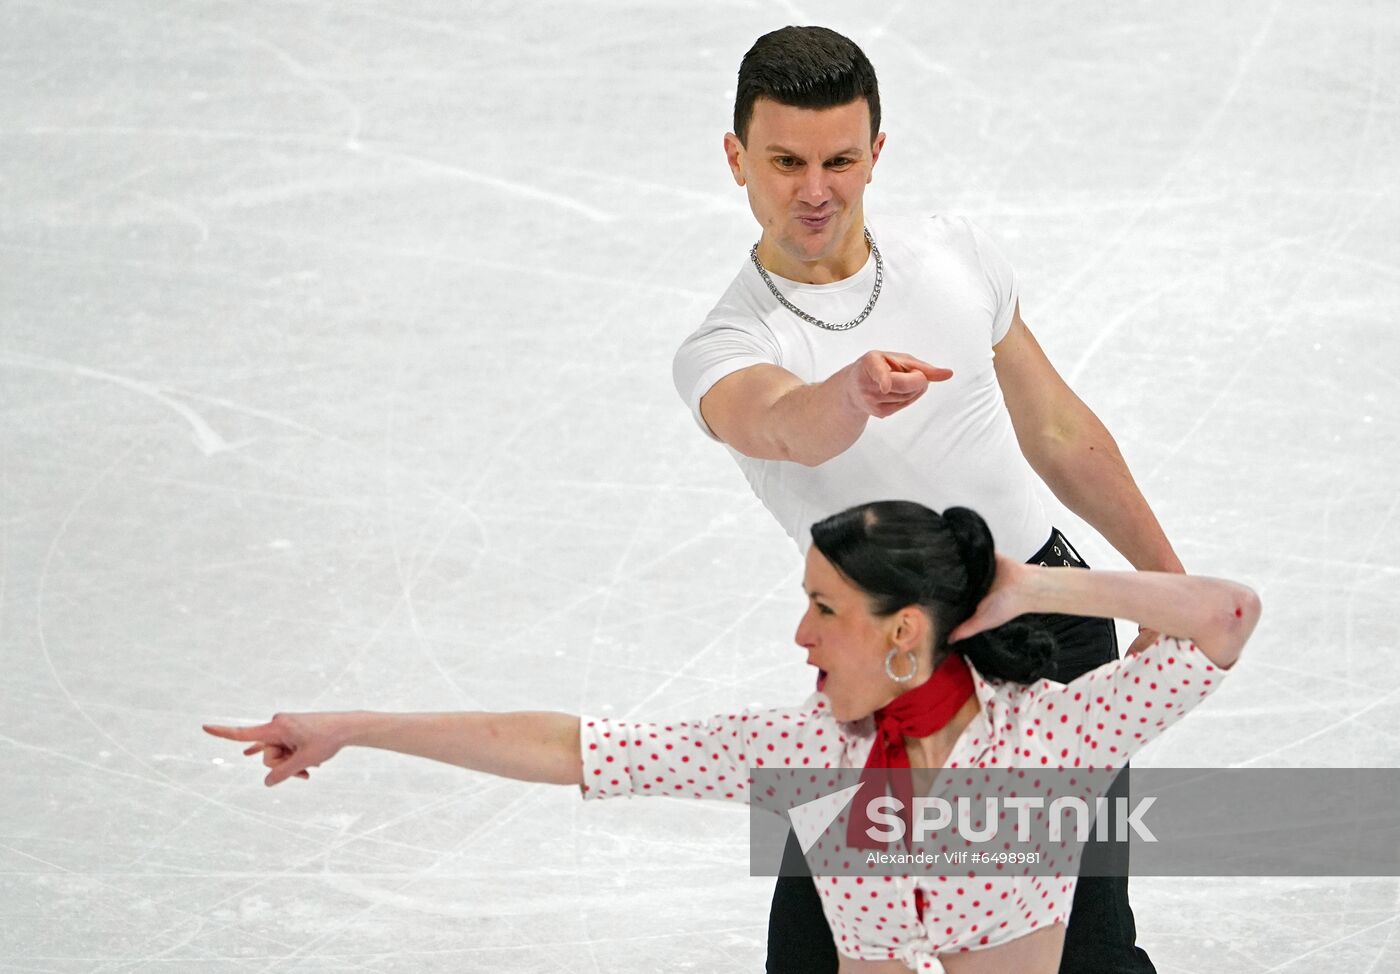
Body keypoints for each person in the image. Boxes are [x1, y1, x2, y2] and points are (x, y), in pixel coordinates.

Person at [204, 501, 1260, 974]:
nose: (795, 632)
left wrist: (1033, 584)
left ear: (903, 633)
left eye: (821, 607)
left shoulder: (1050, 739)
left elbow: (1225, 615)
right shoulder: (807, 752)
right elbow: (571, 746)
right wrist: (356, 726)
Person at [672, 25, 1185, 973]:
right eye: (785, 161)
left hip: (1048, 633)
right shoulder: (729, 345)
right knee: (821, 952)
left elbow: (1060, 434)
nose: (815, 190)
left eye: (839, 159)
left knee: (1085, 954)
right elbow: (782, 425)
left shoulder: (955, 256)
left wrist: (1165, 584)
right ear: (737, 157)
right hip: (893, 672)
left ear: (877, 150)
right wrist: (852, 393)